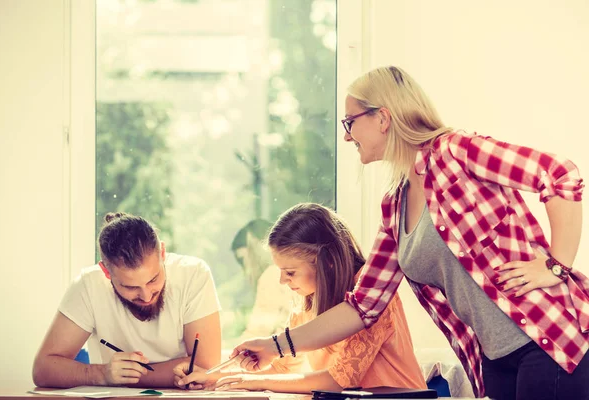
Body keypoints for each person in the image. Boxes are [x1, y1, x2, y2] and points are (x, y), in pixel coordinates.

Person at [230, 66, 589, 399]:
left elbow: (558, 173)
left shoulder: (456, 152)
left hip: (551, 342)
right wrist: (275, 345)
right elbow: (362, 307)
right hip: (495, 360)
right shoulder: (395, 206)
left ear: (382, 118)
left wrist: (557, 265)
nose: (345, 135)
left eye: (350, 121)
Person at [172, 203, 426, 393]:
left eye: (290, 272)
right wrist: (215, 377)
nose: (283, 281)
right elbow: (287, 366)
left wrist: (253, 381)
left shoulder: (371, 295)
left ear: (325, 263)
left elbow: (339, 380)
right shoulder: (307, 300)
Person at [32, 212, 222, 388]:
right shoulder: (89, 285)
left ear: (162, 253)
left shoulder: (193, 274)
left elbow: (205, 367)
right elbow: (43, 369)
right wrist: (101, 373)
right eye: (130, 287)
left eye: (153, 279)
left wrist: (127, 377)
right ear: (106, 272)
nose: (146, 296)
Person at [231, 218, 293, 339]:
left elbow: (258, 332)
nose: (245, 268)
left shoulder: (272, 276)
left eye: (242, 259)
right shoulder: (289, 272)